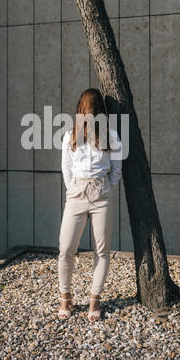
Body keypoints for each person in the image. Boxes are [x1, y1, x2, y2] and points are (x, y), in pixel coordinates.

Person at [58, 88, 123, 322]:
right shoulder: (70, 136)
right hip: (76, 194)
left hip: (101, 194)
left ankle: (94, 300)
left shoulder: (111, 136)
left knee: (102, 250)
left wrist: (103, 187)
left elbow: (117, 170)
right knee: (66, 248)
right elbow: (66, 168)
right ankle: (66, 298)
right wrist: (73, 189)